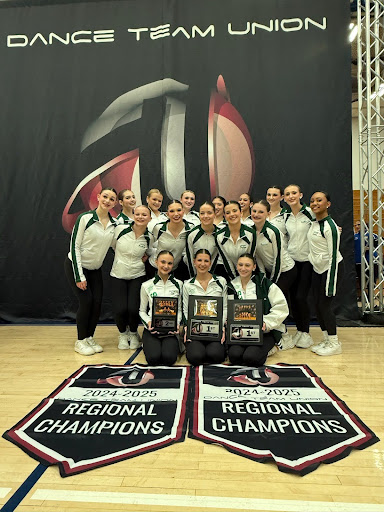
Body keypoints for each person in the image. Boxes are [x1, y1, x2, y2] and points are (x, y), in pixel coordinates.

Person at [64, 187, 117, 355]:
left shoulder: (113, 224)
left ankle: (89, 337)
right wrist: (79, 275)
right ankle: (80, 341)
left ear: (115, 203)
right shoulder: (85, 218)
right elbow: (75, 246)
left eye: (112, 199)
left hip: (95, 269)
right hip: (77, 266)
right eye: (106, 197)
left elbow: (117, 246)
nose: (107, 201)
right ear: (99, 196)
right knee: (86, 302)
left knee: (97, 303)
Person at [227, 254, 289, 366]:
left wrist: (266, 323)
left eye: (247, 265)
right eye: (240, 265)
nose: (243, 268)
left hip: (264, 332)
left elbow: (281, 307)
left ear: (254, 267)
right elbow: (227, 309)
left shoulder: (264, 284)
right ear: (236, 266)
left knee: (251, 357)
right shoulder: (231, 286)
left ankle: (272, 347)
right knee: (234, 356)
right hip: (240, 332)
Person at [251, 199, 297, 349]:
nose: (256, 214)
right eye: (254, 211)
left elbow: (278, 258)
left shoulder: (273, 231)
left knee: (274, 301)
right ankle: (275, 334)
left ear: (268, 214)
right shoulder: (251, 231)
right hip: (270, 272)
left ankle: (284, 336)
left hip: (285, 270)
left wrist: (272, 282)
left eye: (261, 212)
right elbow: (258, 257)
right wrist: (263, 277)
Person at [110, 205, 154, 350]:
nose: (140, 217)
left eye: (144, 215)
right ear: (133, 215)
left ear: (150, 218)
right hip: (118, 274)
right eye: (138, 214)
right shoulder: (120, 230)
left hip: (137, 274)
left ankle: (134, 333)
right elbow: (112, 246)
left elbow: (150, 252)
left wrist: (146, 257)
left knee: (134, 308)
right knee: (120, 308)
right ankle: (123, 334)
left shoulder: (149, 236)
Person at [308, 191, 343, 356]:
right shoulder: (314, 222)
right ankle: (326, 339)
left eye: (319, 200)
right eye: (312, 201)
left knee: (325, 305)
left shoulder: (331, 227)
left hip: (331, 269)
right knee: (317, 305)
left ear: (328, 204)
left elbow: (334, 256)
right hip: (317, 269)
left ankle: (335, 343)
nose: (315, 203)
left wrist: (330, 282)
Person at [283, 184, 315, 349]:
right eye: (287, 194)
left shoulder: (310, 213)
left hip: (307, 261)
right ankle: (299, 331)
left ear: (300, 194)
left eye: (294, 193)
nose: (291, 196)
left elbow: (324, 226)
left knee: (301, 297)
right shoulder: (286, 216)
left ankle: (306, 332)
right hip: (291, 262)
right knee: (293, 298)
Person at [183, 249, 227, 365]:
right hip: (196, 330)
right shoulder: (187, 285)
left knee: (216, 355)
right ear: (194, 262)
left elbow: (225, 307)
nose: (203, 264)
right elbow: (185, 309)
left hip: (215, 329)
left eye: (206, 261)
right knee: (195, 357)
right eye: (199, 260)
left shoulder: (221, 281)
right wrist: (188, 328)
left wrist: (222, 328)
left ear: (210, 263)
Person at [139, 251, 183, 365]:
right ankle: (147, 343)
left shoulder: (179, 285)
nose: (166, 266)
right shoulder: (146, 285)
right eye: (163, 262)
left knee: (169, 359)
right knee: (153, 359)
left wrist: (177, 324)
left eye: (169, 263)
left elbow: (178, 310)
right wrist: (148, 322)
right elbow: (142, 311)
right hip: (152, 329)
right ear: (156, 262)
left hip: (170, 330)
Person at [149, 200, 192, 280]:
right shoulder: (159, 228)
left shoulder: (190, 228)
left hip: (176, 270)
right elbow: (148, 245)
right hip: (155, 269)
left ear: (183, 211)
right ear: (167, 214)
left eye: (179, 210)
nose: (176, 214)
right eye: (172, 211)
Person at [215, 201, 256, 281]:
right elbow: (226, 260)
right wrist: (234, 280)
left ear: (241, 212)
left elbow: (249, 259)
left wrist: (243, 279)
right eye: (228, 212)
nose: (232, 214)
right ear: (224, 216)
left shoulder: (250, 233)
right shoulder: (219, 236)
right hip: (228, 273)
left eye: (234, 211)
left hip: (248, 273)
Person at [185, 201, 219, 277]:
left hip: (213, 275)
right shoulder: (192, 234)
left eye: (209, 213)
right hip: (194, 275)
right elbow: (190, 259)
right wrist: (195, 280)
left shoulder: (219, 234)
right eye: (202, 213)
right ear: (199, 215)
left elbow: (215, 258)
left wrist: (210, 277)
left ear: (215, 214)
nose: (205, 216)